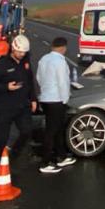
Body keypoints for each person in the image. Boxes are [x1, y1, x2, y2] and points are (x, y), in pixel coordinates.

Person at [0, 35, 37, 162]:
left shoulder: (26, 62)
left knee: (26, 131)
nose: (22, 54)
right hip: (5, 107)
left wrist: (33, 99)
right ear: (13, 49)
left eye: (24, 52)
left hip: (22, 105)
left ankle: (14, 155)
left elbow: (30, 81)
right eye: (19, 52)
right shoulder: (1, 64)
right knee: (2, 137)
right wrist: (6, 87)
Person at [36, 36, 76, 174]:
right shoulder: (60, 62)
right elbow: (63, 82)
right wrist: (65, 100)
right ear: (63, 48)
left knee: (57, 129)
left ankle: (61, 156)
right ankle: (45, 162)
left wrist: (45, 90)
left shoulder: (43, 59)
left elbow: (39, 78)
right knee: (52, 131)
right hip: (56, 100)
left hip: (45, 98)